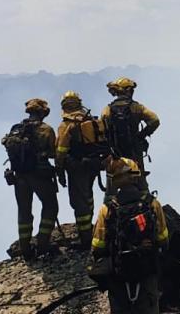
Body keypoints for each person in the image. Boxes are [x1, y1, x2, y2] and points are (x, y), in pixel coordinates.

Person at [88, 157, 170, 314]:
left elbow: (98, 246)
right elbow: (163, 239)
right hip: (146, 272)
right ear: (136, 175)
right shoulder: (151, 204)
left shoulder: (107, 209)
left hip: (119, 275)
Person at [1, 98, 59, 259]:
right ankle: (42, 243)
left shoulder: (16, 129)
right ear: (42, 112)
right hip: (39, 175)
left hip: (19, 177)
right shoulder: (46, 130)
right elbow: (54, 153)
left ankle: (25, 248)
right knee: (50, 207)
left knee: (24, 213)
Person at [56, 90, 109, 247]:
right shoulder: (89, 120)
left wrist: (60, 171)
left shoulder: (66, 125)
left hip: (77, 168)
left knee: (79, 202)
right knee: (88, 195)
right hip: (94, 165)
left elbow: (60, 151)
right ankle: (90, 227)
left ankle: (86, 238)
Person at [100, 77, 160, 170]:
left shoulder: (107, 110)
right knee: (139, 177)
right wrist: (141, 136)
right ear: (128, 91)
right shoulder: (137, 107)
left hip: (115, 152)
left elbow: (101, 130)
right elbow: (155, 120)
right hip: (134, 150)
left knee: (113, 177)